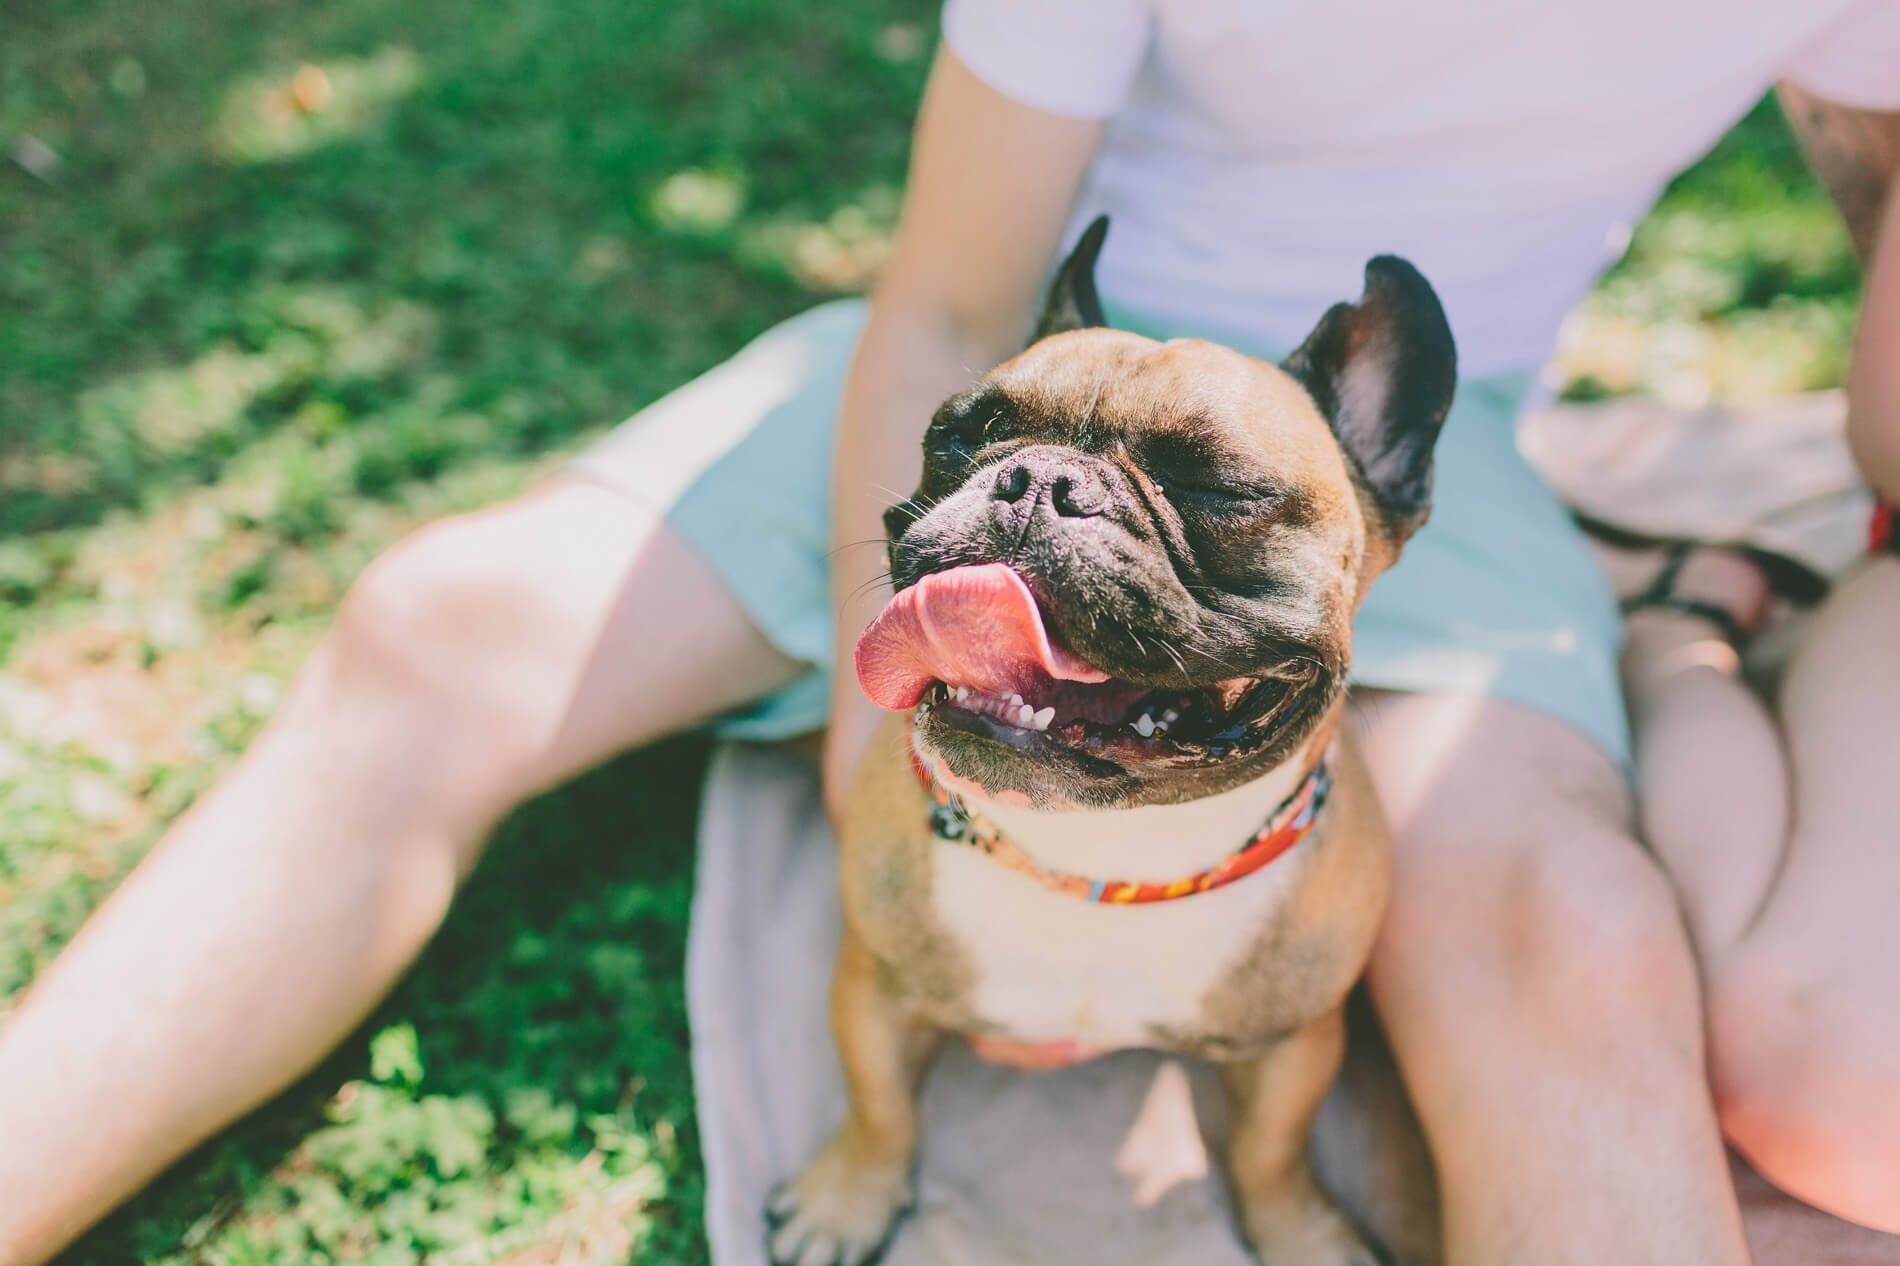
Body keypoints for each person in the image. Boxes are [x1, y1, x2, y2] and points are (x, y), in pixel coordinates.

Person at [2, 3, 1897, 1262]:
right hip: (1023, 393)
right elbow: (947, 303)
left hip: (1382, 467)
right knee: (440, 633)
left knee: (1575, 937)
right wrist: (872, 694)